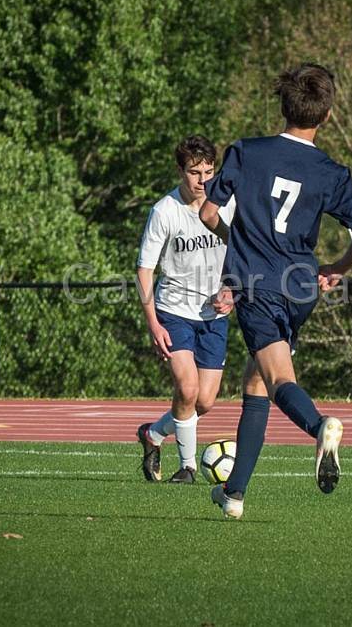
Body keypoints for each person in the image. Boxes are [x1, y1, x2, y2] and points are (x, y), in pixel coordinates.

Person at [199, 64, 352, 519]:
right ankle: (233, 495)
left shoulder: (246, 152)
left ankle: (320, 426)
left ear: (282, 106)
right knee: (255, 379)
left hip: (259, 286)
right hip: (300, 287)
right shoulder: (332, 172)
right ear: (327, 116)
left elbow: (208, 214)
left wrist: (241, 240)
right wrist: (335, 268)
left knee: (278, 380)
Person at [135, 135, 235, 484]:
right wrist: (153, 323)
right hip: (173, 311)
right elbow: (144, 269)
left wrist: (233, 290)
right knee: (188, 389)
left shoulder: (227, 204)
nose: (202, 180)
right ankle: (188, 467)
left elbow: (242, 253)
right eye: (194, 172)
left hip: (214, 316)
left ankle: (153, 435)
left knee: (203, 402)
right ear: (181, 171)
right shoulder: (165, 210)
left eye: (209, 171)